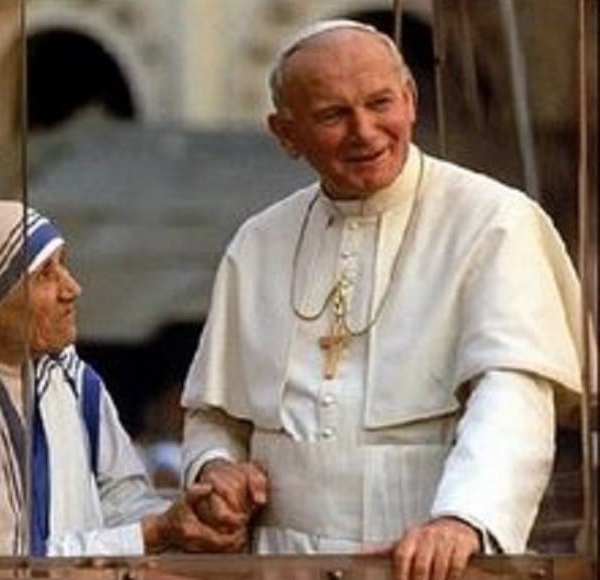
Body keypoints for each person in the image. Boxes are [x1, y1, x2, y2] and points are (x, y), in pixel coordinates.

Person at [180, 19, 584, 580]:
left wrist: (463, 519)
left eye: (379, 103)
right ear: (285, 133)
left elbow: (514, 393)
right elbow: (214, 412)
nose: (365, 132)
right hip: (281, 564)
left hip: (431, 558)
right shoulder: (259, 240)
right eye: (332, 115)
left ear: (411, 100)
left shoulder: (494, 220)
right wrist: (216, 466)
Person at [0, 200, 244, 557]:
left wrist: (191, 515)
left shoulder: (73, 381)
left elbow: (120, 500)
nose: (72, 288)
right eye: (45, 274)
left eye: (64, 264)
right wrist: (152, 532)